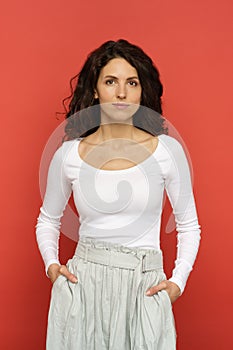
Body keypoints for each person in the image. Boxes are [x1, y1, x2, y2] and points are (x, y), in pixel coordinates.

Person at [35, 39, 201, 350]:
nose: (122, 93)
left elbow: (189, 225)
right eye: (111, 81)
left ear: (142, 91)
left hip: (144, 286)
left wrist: (177, 282)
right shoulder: (69, 154)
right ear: (95, 89)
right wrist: (52, 266)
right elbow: (47, 220)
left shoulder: (168, 151)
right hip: (84, 285)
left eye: (132, 83)